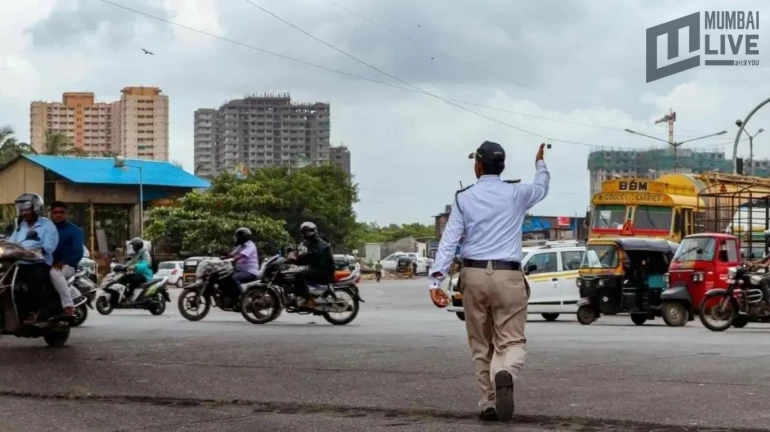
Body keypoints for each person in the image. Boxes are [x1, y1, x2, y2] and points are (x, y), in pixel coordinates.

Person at [428, 141, 549, 422]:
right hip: (509, 276)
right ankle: (504, 373)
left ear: (477, 166)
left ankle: (488, 401)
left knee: (481, 345)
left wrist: (436, 282)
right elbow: (542, 187)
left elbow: (449, 241)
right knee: (512, 341)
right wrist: (540, 163)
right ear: (502, 166)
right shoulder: (518, 192)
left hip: (473, 276)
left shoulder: (463, 197)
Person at [9, 193, 59, 324]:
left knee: (31, 282)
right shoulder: (21, 226)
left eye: (26, 209)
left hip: (39, 263)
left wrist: (35, 251)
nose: (23, 212)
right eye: (21, 209)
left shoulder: (47, 226)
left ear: (36, 208)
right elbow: (11, 242)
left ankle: (38, 311)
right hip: (19, 263)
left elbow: (49, 247)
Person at [48, 201, 85, 316]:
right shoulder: (46, 229)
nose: (58, 215)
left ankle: (68, 304)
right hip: (47, 264)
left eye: (61, 212)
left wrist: (63, 262)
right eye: (55, 212)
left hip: (67, 266)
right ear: (51, 214)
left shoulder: (75, 231)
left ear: (66, 214)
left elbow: (78, 252)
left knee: (54, 272)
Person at [288, 222, 335, 308]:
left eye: (309, 231)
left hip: (324, 270)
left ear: (314, 231)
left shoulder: (317, 242)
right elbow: (309, 255)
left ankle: (309, 300)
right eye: (305, 231)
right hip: (321, 268)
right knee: (298, 273)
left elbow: (311, 256)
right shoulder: (314, 241)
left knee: (300, 275)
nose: (307, 233)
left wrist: (296, 259)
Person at [115, 237, 153, 303]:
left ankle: (130, 296)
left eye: (133, 246)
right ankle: (123, 295)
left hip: (145, 275)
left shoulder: (145, 254)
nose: (132, 247)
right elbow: (132, 262)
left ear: (137, 246)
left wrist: (136, 266)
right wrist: (124, 266)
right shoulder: (136, 254)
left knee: (134, 280)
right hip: (138, 273)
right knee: (123, 279)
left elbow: (145, 264)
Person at [226, 227, 259, 296]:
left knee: (234, 278)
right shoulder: (241, 246)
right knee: (225, 276)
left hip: (250, 272)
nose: (236, 238)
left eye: (237, 236)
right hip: (240, 270)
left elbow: (240, 256)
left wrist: (233, 259)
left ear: (242, 237)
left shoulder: (250, 246)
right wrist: (223, 257)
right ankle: (229, 295)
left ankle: (242, 296)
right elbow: (232, 255)